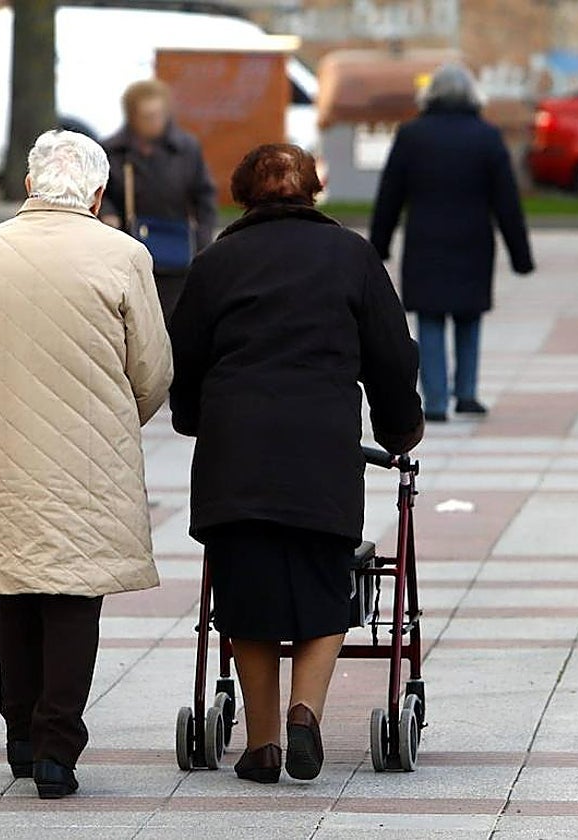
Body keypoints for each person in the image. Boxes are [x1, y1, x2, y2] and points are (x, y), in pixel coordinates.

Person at [170, 144, 424, 784]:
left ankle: (262, 745)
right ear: (314, 190)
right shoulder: (351, 255)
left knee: (244, 591)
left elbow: (186, 359)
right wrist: (399, 429)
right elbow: (392, 356)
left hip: (237, 450)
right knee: (322, 581)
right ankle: (306, 711)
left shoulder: (216, 262)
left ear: (240, 194)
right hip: (321, 447)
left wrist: (194, 418)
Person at [0, 130, 172, 800]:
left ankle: (19, 734)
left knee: (16, 590)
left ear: (28, 185)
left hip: (4, 454)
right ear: (99, 193)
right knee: (74, 597)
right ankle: (55, 750)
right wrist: (111, 423)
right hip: (90, 461)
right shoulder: (125, 255)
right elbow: (154, 370)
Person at [369, 63, 534, 423]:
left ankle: (437, 401)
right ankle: (467, 393)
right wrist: (520, 255)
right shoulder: (487, 136)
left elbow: (390, 194)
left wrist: (378, 244)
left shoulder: (412, 135)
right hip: (473, 241)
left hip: (426, 241)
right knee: (468, 316)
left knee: (429, 318)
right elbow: (506, 200)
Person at [100, 79, 219, 320]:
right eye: (147, 116)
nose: (154, 122)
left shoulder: (186, 148)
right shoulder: (114, 150)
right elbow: (101, 191)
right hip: (129, 245)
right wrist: (108, 213)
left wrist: (202, 239)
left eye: (158, 115)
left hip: (175, 246)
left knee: (172, 315)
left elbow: (204, 195)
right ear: (133, 116)